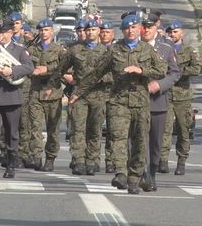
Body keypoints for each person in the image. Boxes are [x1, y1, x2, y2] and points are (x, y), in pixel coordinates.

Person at [69, 14, 167, 194]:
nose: (131, 31)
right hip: (118, 102)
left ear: (139, 29)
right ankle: (121, 173)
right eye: (127, 28)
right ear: (122, 31)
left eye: (134, 27)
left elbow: (162, 70)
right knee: (118, 138)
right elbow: (95, 74)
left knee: (139, 141)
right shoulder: (114, 51)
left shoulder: (147, 50)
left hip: (140, 103)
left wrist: (141, 70)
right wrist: (77, 93)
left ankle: (134, 178)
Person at [46, 20, 107, 175]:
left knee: (94, 129)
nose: (91, 32)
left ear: (98, 31)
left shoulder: (107, 51)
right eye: (88, 30)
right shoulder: (75, 50)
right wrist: (51, 86)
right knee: (78, 128)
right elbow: (60, 69)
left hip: (98, 94)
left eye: (94, 29)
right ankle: (78, 160)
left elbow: (115, 73)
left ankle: (92, 160)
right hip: (79, 95)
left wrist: (103, 79)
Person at [139, 14, 180, 192]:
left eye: (149, 26)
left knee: (156, 143)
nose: (146, 30)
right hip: (135, 102)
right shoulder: (132, 47)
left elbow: (175, 73)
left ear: (156, 27)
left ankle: (152, 172)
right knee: (138, 140)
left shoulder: (165, 48)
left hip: (157, 102)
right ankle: (143, 174)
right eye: (143, 26)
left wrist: (159, 84)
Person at [0, 18, 34, 178]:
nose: (0, 36)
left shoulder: (19, 49)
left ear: (10, 33)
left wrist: (12, 71)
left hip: (11, 95)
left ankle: (11, 164)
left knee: (11, 132)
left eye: (3, 32)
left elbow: (29, 67)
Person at [160, 20, 202, 175]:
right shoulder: (163, 50)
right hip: (166, 95)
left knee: (184, 130)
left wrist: (177, 73)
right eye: (170, 32)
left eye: (175, 32)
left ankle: (181, 162)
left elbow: (197, 68)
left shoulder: (189, 50)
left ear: (181, 33)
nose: (172, 35)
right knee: (165, 129)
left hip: (182, 96)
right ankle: (162, 161)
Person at [27, 18, 65, 171]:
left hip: (52, 93)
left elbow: (64, 68)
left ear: (52, 31)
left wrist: (47, 70)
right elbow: (26, 65)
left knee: (53, 129)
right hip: (35, 91)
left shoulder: (59, 50)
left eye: (46, 30)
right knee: (35, 126)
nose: (43, 33)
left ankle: (50, 158)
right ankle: (36, 156)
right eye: (41, 30)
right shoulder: (32, 50)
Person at [99, 21, 116, 173]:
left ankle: (110, 161)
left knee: (112, 129)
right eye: (102, 32)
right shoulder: (95, 50)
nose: (105, 35)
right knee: (94, 128)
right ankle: (93, 159)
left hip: (113, 94)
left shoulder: (118, 50)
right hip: (95, 94)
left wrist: (103, 78)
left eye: (108, 32)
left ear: (113, 34)